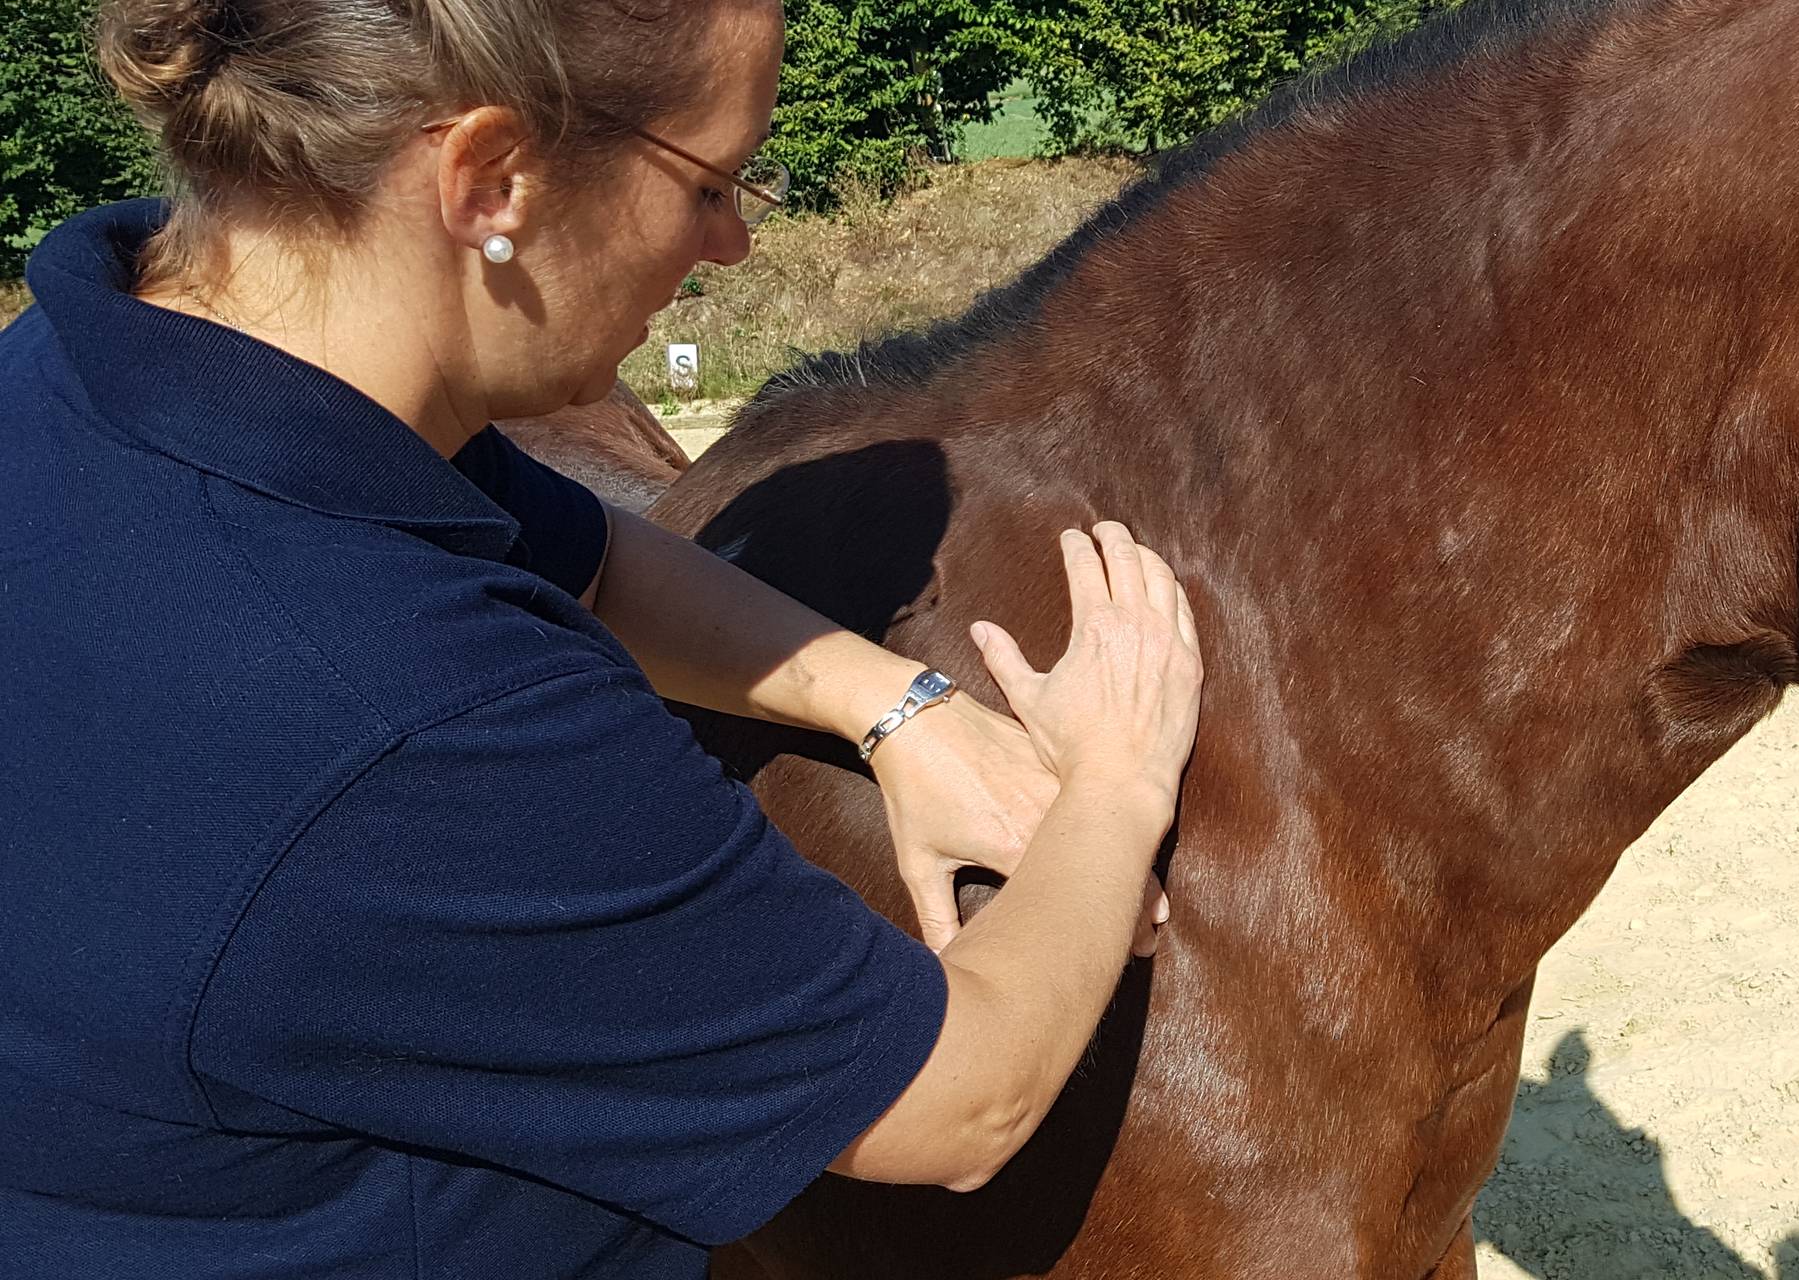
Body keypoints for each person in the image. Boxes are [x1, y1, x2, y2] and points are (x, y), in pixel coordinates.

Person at [0, 1, 1202, 1276]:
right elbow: (958, 1100)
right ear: (487, 176)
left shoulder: (102, 365)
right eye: (712, 183)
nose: (733, 244)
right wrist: (1115, 787)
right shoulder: (410, 714)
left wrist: (894, 708)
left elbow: (581, 549)